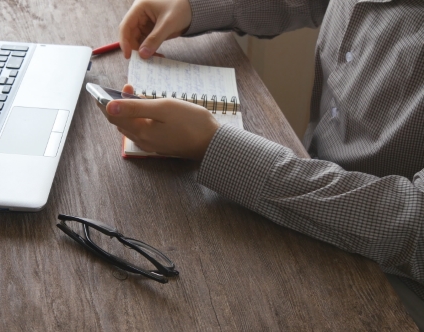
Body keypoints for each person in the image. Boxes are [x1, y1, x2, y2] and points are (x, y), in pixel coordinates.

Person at [98, 0, 424, 327]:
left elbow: (413, 227)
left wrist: (216, 146)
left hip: (394, 285)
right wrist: (196, 7)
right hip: (305, 186)